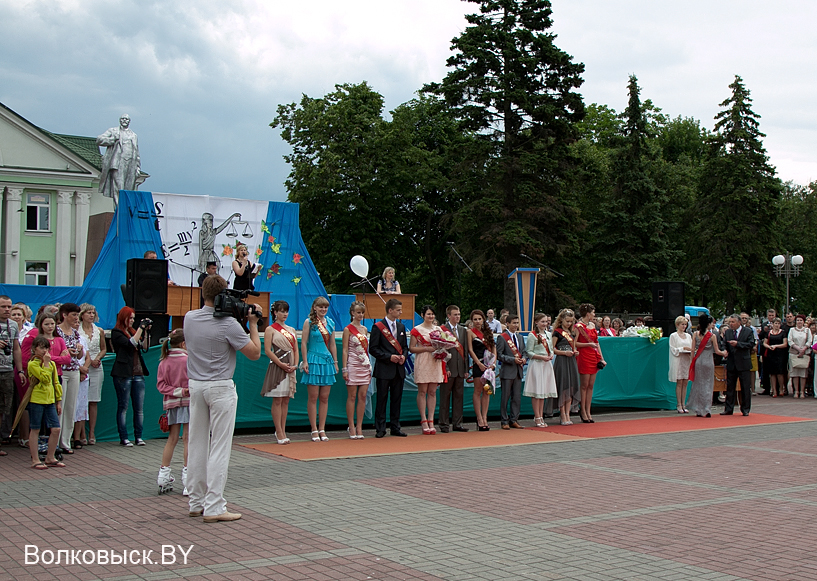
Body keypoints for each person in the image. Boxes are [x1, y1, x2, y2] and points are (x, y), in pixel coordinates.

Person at [184, 274, 260, 522]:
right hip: (220, 387)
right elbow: (254, 353)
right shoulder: (228, 324)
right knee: (219, 447)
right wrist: (253, 324)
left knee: (196, 443)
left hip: (196, 385)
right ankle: (214, 505)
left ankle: (196, 501)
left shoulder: (189, 318)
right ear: (223, 295)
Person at [155, 329, 190, 494]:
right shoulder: (188, 360)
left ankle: (163, 475)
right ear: (184, 343)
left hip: (171, 403)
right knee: (188, 439)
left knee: (172, 439)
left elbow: (161, 385)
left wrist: (175, 392)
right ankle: (188, 478)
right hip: (189, 402)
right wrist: (184, 391)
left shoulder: (164, 361)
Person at [110, 307, 150, 447]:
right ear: (123, 318)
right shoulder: (116, 333)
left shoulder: (134, 332)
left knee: (139, 408)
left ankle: (138, 436)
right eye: (130, 318)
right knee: (123, 406)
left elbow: (144, 346)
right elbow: (130, 343)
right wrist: (140, 328)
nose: (132, 321)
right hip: (123, 373)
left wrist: (145, 331)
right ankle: (124, 437)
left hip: (138, 373)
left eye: (134, 318)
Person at [370, 298, 409, 437]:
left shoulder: (401, 327)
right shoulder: (378, 326)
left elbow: (404, 347)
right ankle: (380, 428)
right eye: (398, 310)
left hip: (398, 369)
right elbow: (373, 349)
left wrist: (403, 356)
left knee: (396, 399)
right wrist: (389, 357)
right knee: (382, 399)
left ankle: (395, 426)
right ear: (390, 310)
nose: (400, 312)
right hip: (384, 368)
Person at [300, 297, 338, 441]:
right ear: (314, 307)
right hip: (313, 359)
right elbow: (303, 343)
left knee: (324, 397)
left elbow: (333, 344)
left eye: (325, 307)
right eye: (320, 307)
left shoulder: (331, 323)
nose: (323, 310)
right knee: (313, 396)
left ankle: (322, 428)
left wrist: (335, 362)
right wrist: (304, 361)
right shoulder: (308, 322)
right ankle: (314, 429)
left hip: (327, 361)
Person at [262, 300, 299, 444]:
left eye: (286, 311)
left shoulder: (292, 330)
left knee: (286, 400)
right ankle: (278, 431)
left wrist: (295, 365)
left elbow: (295, 349)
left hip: (290, 366)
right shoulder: (270, 329)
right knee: (277, 399)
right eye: (282, 311)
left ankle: (283, 430)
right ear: (275, 312)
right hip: (278, 366)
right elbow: (267, 350)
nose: (284, 314)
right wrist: (281, 364)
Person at [26, 335, 64, 469]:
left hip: (50, 400)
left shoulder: (52, 364)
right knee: (35, 428)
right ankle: (35, 459)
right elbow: (45, 379)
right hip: (37, 400)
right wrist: (46, 364)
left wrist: (58, 401)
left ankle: (50, 456)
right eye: (41, 348)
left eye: (46, 348)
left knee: (56, 428)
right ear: (34, 349)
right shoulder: (32, 364)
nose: (44, 351)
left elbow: (55, 383)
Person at [410, 305, 444, 435]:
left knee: (432, 392)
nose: (431, 316)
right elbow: (412, 348)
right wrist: (426, 349)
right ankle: (423, 420)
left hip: (435, 361)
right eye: (428, 314)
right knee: (422, 391)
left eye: (432, 314)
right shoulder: (417, 330)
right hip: (423, 360)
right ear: (423, 315)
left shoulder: (438, 329)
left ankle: (431, 420)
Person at [0, 295, 27, 457]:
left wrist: (20, 370)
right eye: (3, 307)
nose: (7, 310)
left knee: (4, 408)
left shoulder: (13, 325)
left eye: (9, 306)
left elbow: (16, 348)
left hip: (7, 371)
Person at [55, 303, 83, 453]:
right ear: (64, 315)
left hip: (74, 370)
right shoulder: (57, 331)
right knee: (61, 405)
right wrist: (66, 352)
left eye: (77, 315)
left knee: (71, 407)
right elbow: (55, 351)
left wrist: (79, 350)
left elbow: (79, 355)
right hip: (61, 371)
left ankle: (66, 441)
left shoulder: (75, 332)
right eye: (73, 315)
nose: (75, 318)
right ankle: (56, 441)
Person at [687, 315, 727, 417]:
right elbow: (717, 351)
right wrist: (725, 353)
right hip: (708, 361)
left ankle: (698, 409)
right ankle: (707, 409)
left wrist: (692, 362)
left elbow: (692, 351)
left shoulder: (695, 334)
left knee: (698, 384)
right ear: (708, 324)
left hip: (698, 361)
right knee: (708, 385)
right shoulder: (712, 336)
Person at [341, 301, 370, 440]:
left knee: (362, 396)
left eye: (362, 313)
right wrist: (344, 369)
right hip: (352, 364)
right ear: (352, 313)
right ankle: (351, 425)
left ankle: (359, 426)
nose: (360, 315)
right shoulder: (347, 329)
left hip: (364, 365)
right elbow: (345, 349)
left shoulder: (364, 329)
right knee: (352, 396)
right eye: (358, 312)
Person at [78, 304, 106, 445]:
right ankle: (81, 432)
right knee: (82, 399)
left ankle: (92, 433)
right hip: (82, 366)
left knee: (93, 400)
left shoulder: (99, 330)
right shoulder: (76, 330)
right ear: (82, 314)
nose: (91, 315)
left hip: (96, 366)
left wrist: (98, 358)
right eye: (88, 312)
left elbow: (103, 348)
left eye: (93, 313)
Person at [523, 313, 557, 427]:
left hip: (546, 365)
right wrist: (541, 357)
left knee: (543, 392)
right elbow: (529, 352)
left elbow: (551, 349)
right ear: (536, 322)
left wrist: (551, 355)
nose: (544, 324)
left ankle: (541, 415)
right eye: (542, 321)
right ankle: (537, 416)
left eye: (546, 321)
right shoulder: (532, 335)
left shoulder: (548, 334)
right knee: (537, 391)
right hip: (537, 364)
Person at [97, 113, 140, 201]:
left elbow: (137, 152)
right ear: (119, 120)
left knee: (129, 189)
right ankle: (119, 209)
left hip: (131, 163)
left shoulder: (133, 135)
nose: (124, 120)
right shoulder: (113, 131)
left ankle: (125, 208)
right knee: (119, 187)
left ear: (129, 121)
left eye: (126, 119)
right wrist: (112, 140)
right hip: (118, 162)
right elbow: (99, 140)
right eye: (123, 118)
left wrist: (137, 167)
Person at [439, 305, 469, 433]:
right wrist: (445, 367)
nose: (457, 316)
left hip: (460, 368)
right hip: (448, 368)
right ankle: (444, 423)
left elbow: (466, 350)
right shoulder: (442, 330)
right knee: (445, 396)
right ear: (449, 316)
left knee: (459, 397)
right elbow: (441, 350)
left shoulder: (463, 330)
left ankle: (457, 423)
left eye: (459, 314)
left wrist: (466, 369)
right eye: (455, 314)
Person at [496, 314, 527, 429]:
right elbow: (499, 355)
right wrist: (513, 360)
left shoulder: (520, 337)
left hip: (518, 371)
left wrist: (523, 358)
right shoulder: (502, 337)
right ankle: (504, 421)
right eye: (514, 323)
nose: (516, 325)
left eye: (517, 323)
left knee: (516, 397)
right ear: (507, 324)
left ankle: (514, 419)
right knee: (505, 397)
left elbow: (523, 351)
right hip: (508, 371)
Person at [575, 303, 606, 423]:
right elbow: (575, 343)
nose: (594, 314)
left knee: (591, 385)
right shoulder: (578, 326)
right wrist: (588, 344)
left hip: (593, 356)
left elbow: (597, 343)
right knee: (584, 385)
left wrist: (601, 358)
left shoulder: (593, 325)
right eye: (593, 312)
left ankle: (588, 410)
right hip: (584, 356)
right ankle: (582, 410)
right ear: (588, 313)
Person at [467, 309, 496, 431]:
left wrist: (493, 363)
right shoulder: (470, 332)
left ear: (483, 319)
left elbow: (494, 348)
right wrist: (478, 363)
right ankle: (479, 418)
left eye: (479, 319)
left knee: (487, 391)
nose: (478, 321)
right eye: (475, 319)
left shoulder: (488, 332)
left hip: (489, 365)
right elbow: (470, 349)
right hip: (479, 364)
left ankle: (485, 417)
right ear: (472, 321)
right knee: (478, 390)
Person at [721, 314, 755, 416]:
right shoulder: (728, 332)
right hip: (732, 363)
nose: (731, 324)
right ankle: (728, 409)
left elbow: (751, 344)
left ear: (739, 322)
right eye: (730, 322)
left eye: (733, 322)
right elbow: (724, 343)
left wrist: (738, 344)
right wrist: (724, 350)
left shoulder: (748, 331)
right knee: (730, 387)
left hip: (743, 363)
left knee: (745, 387)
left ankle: (745, 409)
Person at [552, 308, 580, 426]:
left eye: (571, 321)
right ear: (561, 320)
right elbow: (553, 349)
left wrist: (575, 351)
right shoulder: (557, 332)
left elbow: (573, 347)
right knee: (563, 387)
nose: (569, 323)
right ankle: (562, 414)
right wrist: (564, 353)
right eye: (567, 321)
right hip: (562, 360)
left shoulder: (572, 333)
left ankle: (568, 413)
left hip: (571, 360)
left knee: (571, 387)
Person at [668, 315, 694, 413]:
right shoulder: (673, 336)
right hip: (678, 360)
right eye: (682, 324)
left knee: (685, 382)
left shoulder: (688, 336)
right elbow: (673, 349)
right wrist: (682, 349)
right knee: (679, 382)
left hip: (686, 360)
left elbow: (691, 347)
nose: (684, 326)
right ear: (677, 325)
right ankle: (679, 404)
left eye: (685, 324)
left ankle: (684, 403)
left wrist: (691, 351)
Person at [787, 314, 812, 398]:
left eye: (801, 320)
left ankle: (802, 391)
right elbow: (790, 340)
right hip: (794, 353)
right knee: (794, 373)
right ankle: (796, 391)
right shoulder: (792, 330)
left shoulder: (807, 330)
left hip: (804, 353)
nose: (799, 322)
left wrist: (803, 349)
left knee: (803, 374)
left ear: (803, 321)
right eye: (798, 320)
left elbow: (809, 341)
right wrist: (798, 349)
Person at [762, 318, 788, 397]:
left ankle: (781, 389)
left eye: (778, 324)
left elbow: (785, 344)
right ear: (772, 324)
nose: (777, 325)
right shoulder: (769, 333)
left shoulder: (783, 333)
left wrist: (776, 346)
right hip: (771, 354)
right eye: (775, 323)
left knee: (780, 373)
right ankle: (774, 390)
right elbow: (764, 343)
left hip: (780, 354)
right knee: (772, 373)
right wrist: (769, 347)